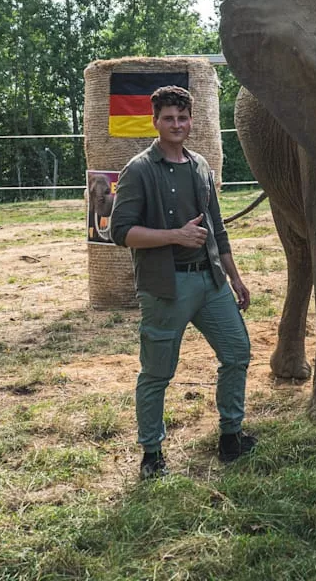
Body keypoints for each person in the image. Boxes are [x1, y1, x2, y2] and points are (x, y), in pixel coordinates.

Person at [110, 85, 256, 479]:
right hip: (165, 287)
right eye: (169, 118)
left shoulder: (202, 167)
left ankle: (230, 435)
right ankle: (152, 454)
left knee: (237, 352)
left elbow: (217, 229)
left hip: (210, 282)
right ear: (154, 121)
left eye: (183, 118)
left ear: (191, 121)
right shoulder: (138, 170)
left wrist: (234, 277)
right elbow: (120, 232)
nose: (177, 124)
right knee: (157, 372)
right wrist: (173, 235)